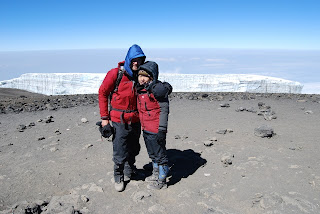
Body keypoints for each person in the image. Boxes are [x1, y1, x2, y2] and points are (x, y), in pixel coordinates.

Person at [98, 44, 145, 192]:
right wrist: (105, 118)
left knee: (134, 147)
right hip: (119, 120)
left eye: (139, 60)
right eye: (134, 60)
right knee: (120, 149)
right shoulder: (115, 74)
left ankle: (129, 168)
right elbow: (103, 93)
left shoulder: (141, 76)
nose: (136, 63)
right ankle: (118, 174)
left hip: (136, 119)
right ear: (129, 59)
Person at [136, 61, 172, 190]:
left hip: (156, 128)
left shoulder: (157, 90)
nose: (141, 78)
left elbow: (164, 110)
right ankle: (155, 174)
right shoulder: (141, 90)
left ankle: (161, 180)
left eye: (144, 76)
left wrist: (162, 129)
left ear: (151, 77)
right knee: (152, 153)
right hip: (146, 128)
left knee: (160, 155)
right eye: (140, 75)